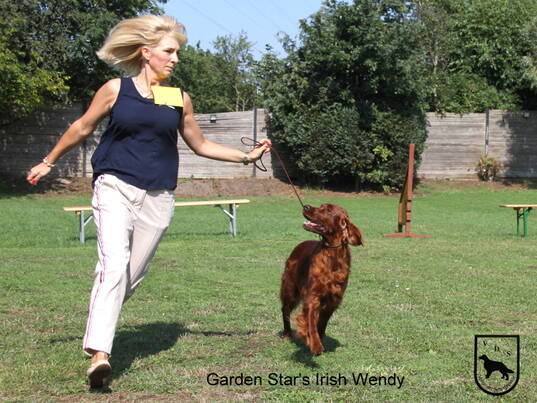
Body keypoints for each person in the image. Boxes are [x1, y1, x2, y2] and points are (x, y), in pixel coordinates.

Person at [26, 14, 270, 388]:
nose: (175, 59)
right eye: (169, 51)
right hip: (114, 185)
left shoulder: (178, 98)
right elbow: (82, 127)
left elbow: (200, 144)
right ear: (145, 52)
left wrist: (245, 157)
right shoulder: (116, 90)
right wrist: (49, 161)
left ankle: (98, 323)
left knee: (132, 274)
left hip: (159, 195)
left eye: (177, 53)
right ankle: (100, 355)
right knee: (114, 265)